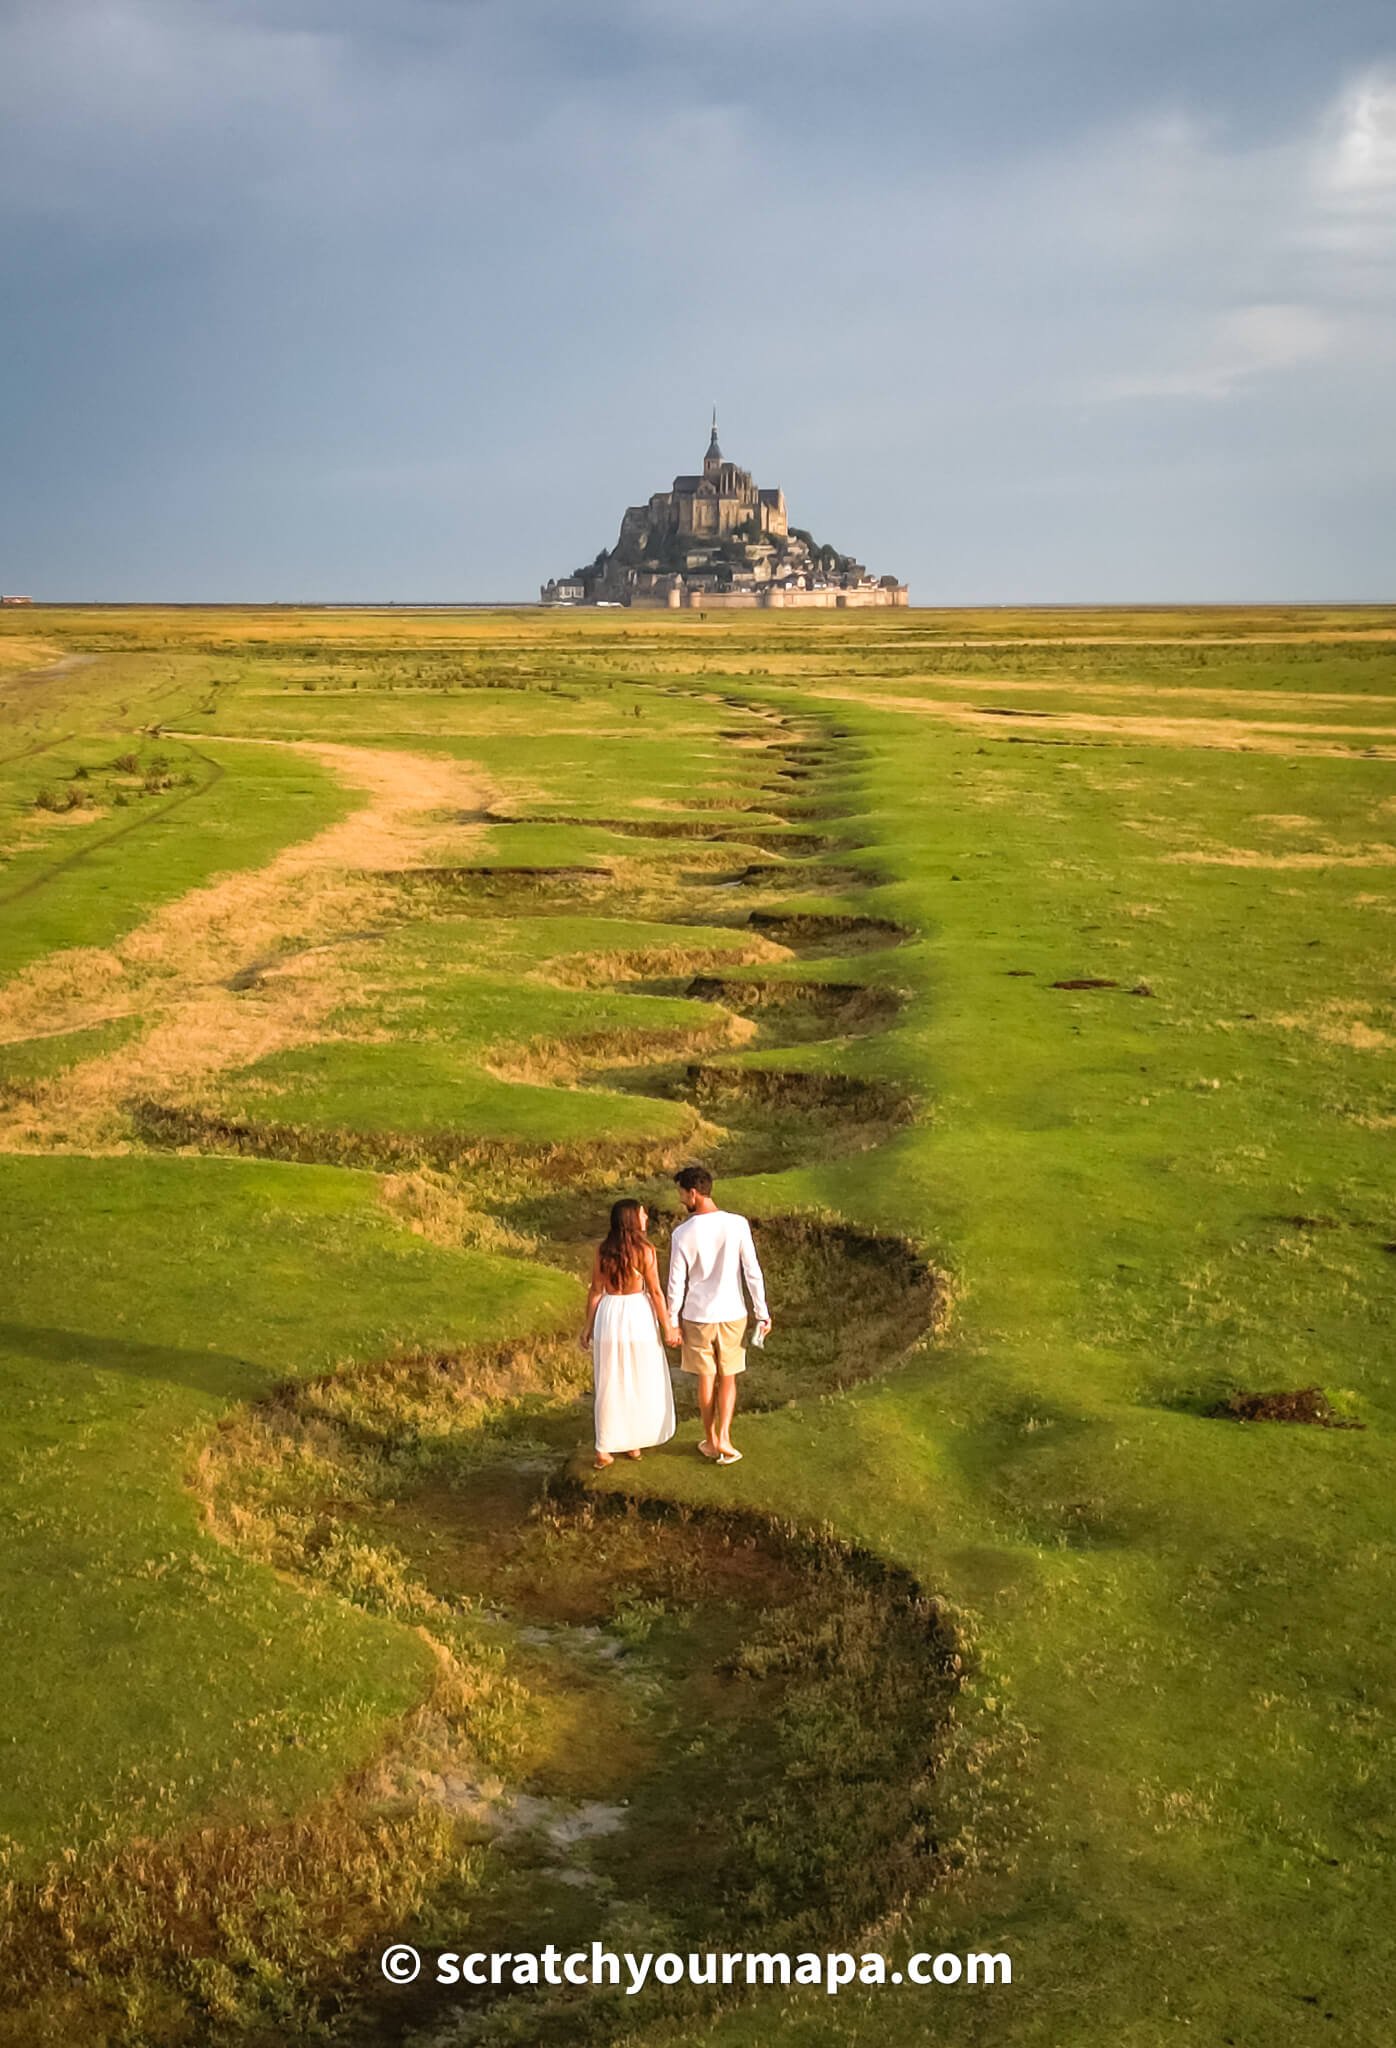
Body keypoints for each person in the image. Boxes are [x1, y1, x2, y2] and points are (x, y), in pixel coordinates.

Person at [665, 1164, 771, 1467]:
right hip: (733, 1312)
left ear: (694, 1193)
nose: (682, 1199)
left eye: (682, 1194)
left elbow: (676, 1283)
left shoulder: (682, 1233)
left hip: (697, 1315)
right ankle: (724, 1437)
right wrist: (761, 1312)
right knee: (729, 1377)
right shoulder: (737, 1224)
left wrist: (672, 1321)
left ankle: (711, 1440)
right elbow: (752, 1271)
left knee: (706, 1378)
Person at [581, 1199, 680, 1470]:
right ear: (632, 1220)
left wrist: (587, 1327)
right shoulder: (645, 1250)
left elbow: (595, 1291)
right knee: (639, 1377)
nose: (646, 1217)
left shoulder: (602, 1250)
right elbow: (656, 1292)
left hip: (609, 1314)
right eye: (641, 1213)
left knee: (609, 1380)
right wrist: (668, 1326)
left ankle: (605, 1447)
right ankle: (633, 1443)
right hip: (637, 1314)